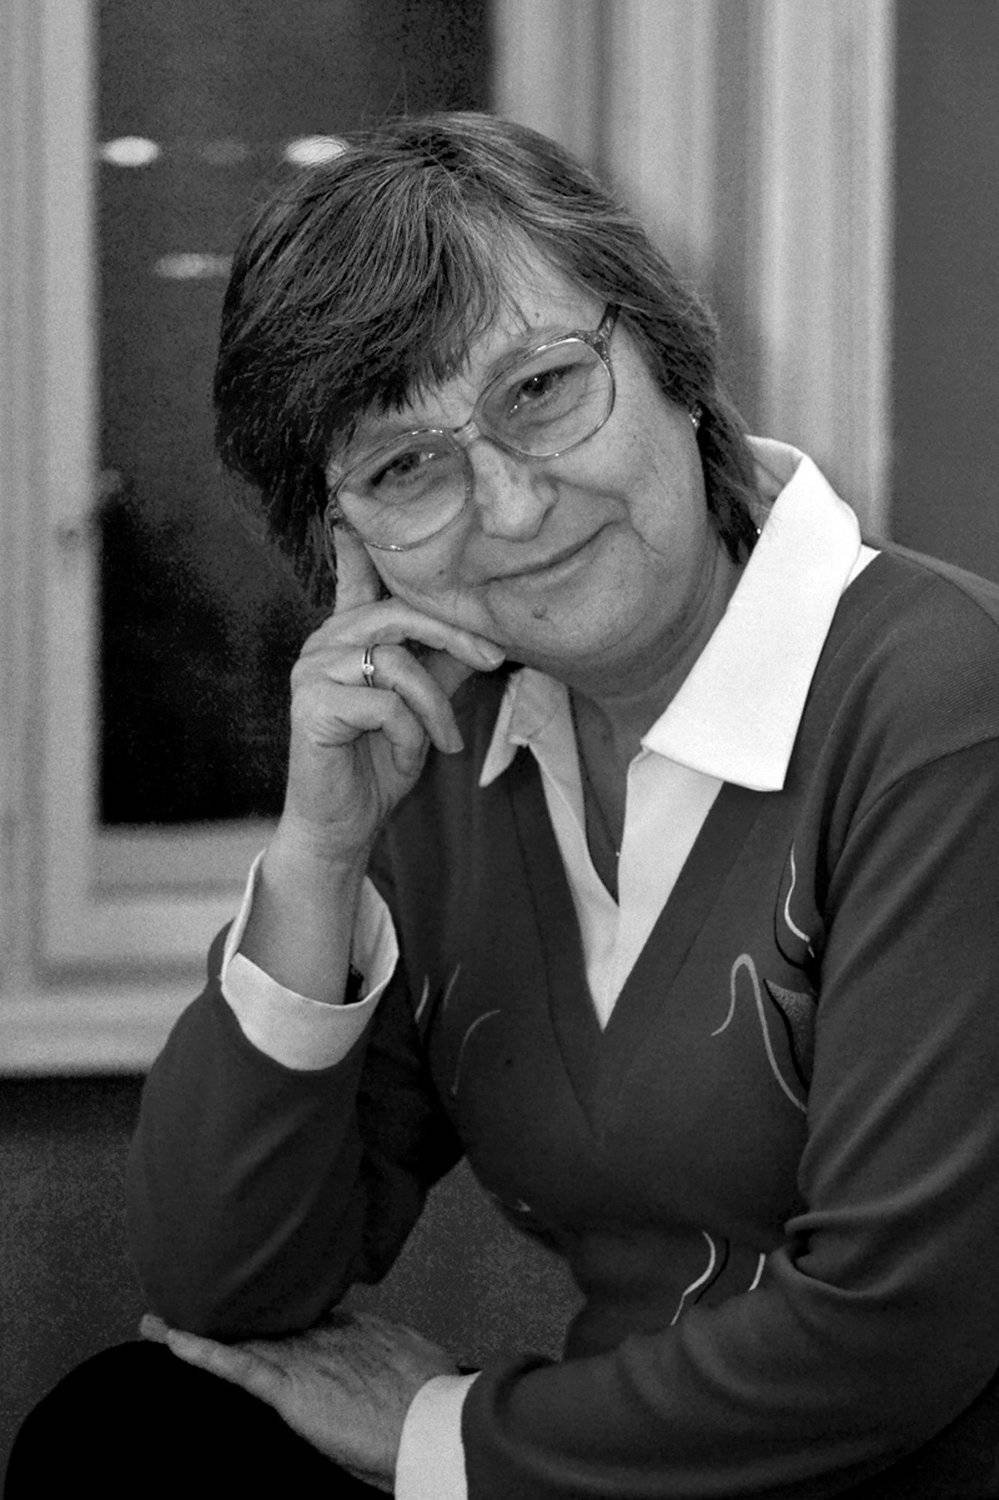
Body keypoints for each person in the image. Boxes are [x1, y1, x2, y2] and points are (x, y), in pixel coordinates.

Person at [8, 112, 999, 1499]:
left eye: (541, 390)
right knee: (139, 1434)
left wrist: (445, 1439)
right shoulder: (451, 746)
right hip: (609, 1477)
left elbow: (901, 1335)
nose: (516, 507)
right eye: (405, 467)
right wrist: (319, 854)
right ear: (348, 544)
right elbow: (226, 1288)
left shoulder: (942, 699)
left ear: (672, 361)